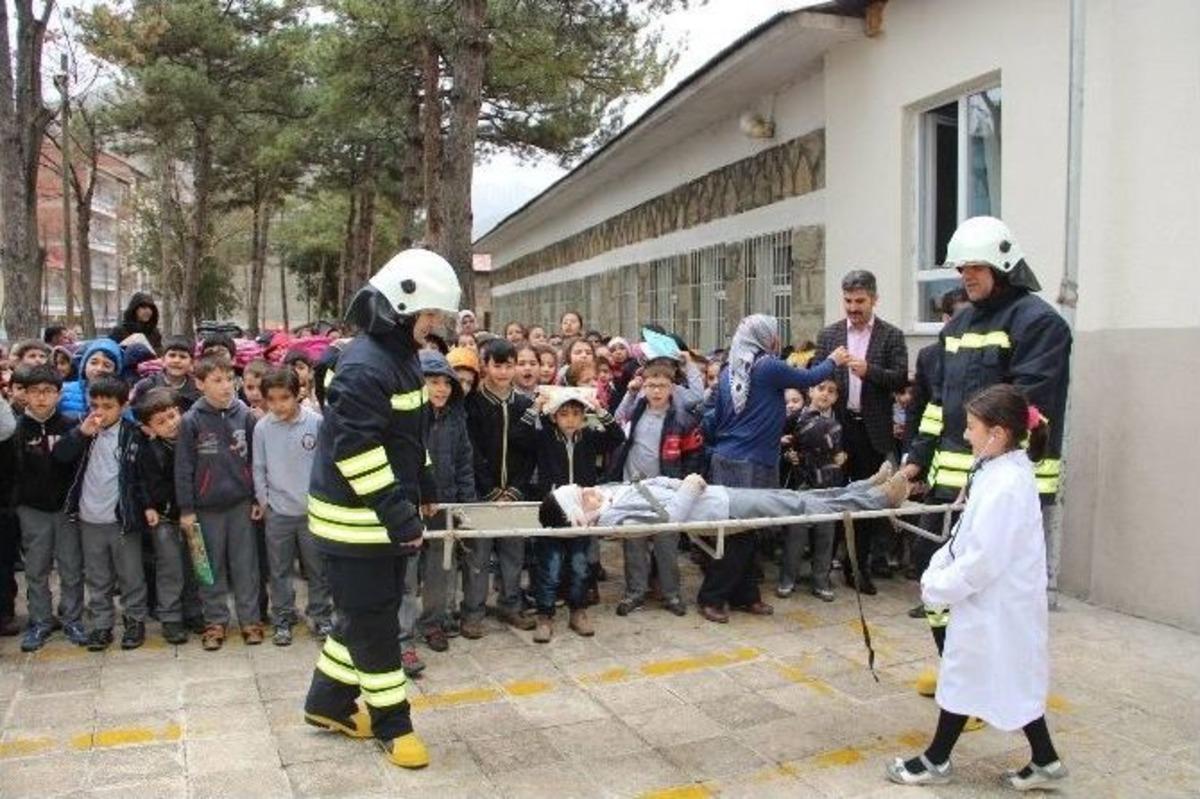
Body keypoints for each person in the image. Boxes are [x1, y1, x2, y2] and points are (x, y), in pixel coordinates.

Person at [302, 248, 461, 771]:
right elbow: (357, 453)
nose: (436, 325)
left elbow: (407, 437)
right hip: (356, 524)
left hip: (377, 517)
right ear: (401, 308)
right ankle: (393, 724)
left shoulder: (400, 357)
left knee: (365, 614)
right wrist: (398, 514)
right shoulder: (366, 366)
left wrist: (426, 481)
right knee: (374, 625)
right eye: (431, 314)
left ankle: (328, 703)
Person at [901, 217, 1072, 697]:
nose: (966, 277)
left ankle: (977, 687)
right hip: (952, 481)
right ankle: (956, 669)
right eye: (961, 269)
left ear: (1003, 265)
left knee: (984, 593)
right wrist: (915, 460)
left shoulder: (1039, 324)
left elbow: (1023, 410)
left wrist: (982, 472)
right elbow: (938, 404)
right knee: (933, 573)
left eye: (975, 267)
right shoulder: (957, 326)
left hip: (1004, 485)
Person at [886, 385, 1068, 790]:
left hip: (995, 603)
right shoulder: (999, 472)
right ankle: (1044, 759)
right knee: (1003, 676)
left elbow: (983, 558)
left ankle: (936, 760)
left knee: (968, 674)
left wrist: (939, 586)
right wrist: (940, 566)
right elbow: (968, 536)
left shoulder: (1005, 485)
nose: (966, 435)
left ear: (997, 434)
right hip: (998, 603)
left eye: (971, 428)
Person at [698, 315, 848, 623]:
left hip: (736, 458)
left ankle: (746, 594)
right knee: (739, 533)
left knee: (747, 530)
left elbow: (720, 416)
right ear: (765, 337)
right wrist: (834, 359)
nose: (778, 340)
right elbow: (809, 378)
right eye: (775, 334)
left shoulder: (731, 371)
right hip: (748, 462)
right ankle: (712, 596)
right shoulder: (766, 366)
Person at [814, 270, 909, 594]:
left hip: (872, 431)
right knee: (833, 496)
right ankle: (823, 568)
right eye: (848, 301)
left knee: (867, 502)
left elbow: (900, 379)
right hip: (835, 428)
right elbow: (816, 374)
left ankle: (857, 569)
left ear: (874, 299)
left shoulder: (891, 335)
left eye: (860, 301)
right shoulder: (829, 334)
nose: (853, 308)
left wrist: (870, 371)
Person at [542, 465, 907, 540]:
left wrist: (681, 483)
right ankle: (878, 498)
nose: (587, 489)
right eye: (580, 496)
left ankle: (863, 489)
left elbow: (652, 483)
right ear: (579, 516)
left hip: (715, 494)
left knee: (796, 497)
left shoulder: (609, 495)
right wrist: (687, 486)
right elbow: (668, 522)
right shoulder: (613, 520)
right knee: (797, 507)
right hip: (720, 507)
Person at [522, 387, 624, 642]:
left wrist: (599, 409)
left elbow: (617, 436)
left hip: (582, 515)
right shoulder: (544, 438)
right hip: (552, 514)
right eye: (564, 413)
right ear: (554, 416)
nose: (570, 419)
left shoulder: (589, 438)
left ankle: (578, 610)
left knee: (580, 565)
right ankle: (545, 615)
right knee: (550, 566)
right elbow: (518, 436)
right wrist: (536, 407)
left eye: (577, 414)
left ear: (583, 417)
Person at [176, 355, 263, 651]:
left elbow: (255, 461)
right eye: (217, 380)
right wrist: (187, 509)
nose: (226, 386)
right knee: (208, 567)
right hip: (205, 508)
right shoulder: (191, 420)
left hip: (240, 504)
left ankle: (250, 620)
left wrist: (256, 497)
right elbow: (183, 467)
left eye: (230, 379)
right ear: (200, 384)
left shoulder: (245, 415)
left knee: (245, 565)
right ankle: (215, 621)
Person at [57, 376, 148, 651]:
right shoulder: (83, 430)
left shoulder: (133, 433)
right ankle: (101, 624)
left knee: (130, 574)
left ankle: (134, 620)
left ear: (123, 406)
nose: (100, 412)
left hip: (121, 518)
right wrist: (81, 434)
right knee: (97, 576)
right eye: (94, 405)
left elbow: (143, 477)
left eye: (108, 406)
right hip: (89, 518)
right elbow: (60, 456)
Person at [607, 362, 705, 617]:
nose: (656, 391)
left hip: (665, 493)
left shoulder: (683, 419)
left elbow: (694, 456)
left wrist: (683, 485)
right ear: (644, 387)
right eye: (651, 385)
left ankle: (671, 594)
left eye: (662, 385)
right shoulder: (635, 411)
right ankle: (635, 593)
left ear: (672, 387)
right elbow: (615, 421)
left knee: (666, 545)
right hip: (633, 489)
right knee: (633, 544)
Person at [463, 339, 537, 635]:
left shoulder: (525, 405)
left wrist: (516, 489)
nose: (504, 372)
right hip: (482, 494)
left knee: (513, 553)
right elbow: (471, 450)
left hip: (515, 495)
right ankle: (472, 611)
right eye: (497, 365)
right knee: (477, 557)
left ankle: (511, 604)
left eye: (509, 365)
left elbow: (530, 452)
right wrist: (490, 489)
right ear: (485, 366)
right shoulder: (473, 404)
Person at [253, 368, 331, 647]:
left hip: (312, 512)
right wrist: (265, 502)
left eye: (284, 398)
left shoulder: (316, 423)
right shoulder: (262, 428)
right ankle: (283, 617)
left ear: (297, 394)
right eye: (271, 399)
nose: (278, 405)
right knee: (279, 570)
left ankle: (320, 615)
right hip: (279, 512)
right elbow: (258, 467)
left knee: (317, 568)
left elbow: (325, 465)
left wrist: (323, 501)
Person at [11, 365, 87, 651]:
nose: (41, 397)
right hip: (32, 509)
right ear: (24, 395)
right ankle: (40, 620)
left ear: (58, 394)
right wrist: (16, 502)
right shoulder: (16, 429)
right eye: (35, 391)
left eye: (48, 391)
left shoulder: (71, 425)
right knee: (36, 567)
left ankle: (72, 619)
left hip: (65, 507)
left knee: (71, 566)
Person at [411, 350, 476, 654]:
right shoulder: (406, 419)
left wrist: (466, 505)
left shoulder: (455, 418)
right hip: (411, 507)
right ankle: (401, 631)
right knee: (406, 571)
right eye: (433, 382)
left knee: (440, 568)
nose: (442, 389)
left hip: (445, 505)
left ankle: (432, 623)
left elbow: (464, 463)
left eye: (447, 383)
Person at [131, 388, 203, 644]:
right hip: (165, 518)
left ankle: (194, 611)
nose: (171, 424)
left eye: (173, 416)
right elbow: (143, 482)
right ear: (148, 428)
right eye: (161, 422)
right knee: (170, 568)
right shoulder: (149, 450)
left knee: (196, 566)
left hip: (194, 516)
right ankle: (171, 617)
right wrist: (149, 505)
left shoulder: (193, 441)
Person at [779, 377, 845, 601]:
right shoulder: (795, 418)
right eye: (821, 388)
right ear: (810, 391)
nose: (825, 393)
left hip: (829, 484)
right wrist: (787, 454)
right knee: (796, 534)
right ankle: (788, 578)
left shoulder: (839, 421)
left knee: (826, 533)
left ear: (836, 397)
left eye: (831, 391)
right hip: (802, 482)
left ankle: (821, 580)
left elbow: (843, 451)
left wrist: (843, 457)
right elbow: (782, 443)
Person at [132, 336, 201, 412]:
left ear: (192, 363)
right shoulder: (147, 386)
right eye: (172, 355)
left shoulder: (198, 389)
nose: (176, 360)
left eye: (183, 357)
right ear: (163, 360)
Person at [59, 338, 123, 416]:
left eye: (107, 365)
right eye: (94, 363)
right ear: (84, 365)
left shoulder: (120, 397)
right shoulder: (64, 391)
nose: (99, 368)